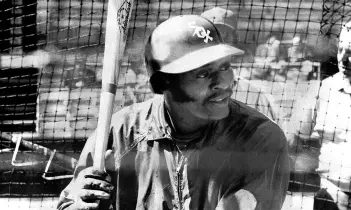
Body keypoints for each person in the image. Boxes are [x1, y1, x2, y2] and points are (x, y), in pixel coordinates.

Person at [57, 15, 290, 210]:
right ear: (162, 83)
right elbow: (69, 202)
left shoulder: (259, 140)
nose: (224, 82)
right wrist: (79, 205)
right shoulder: (120, 133)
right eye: (202, 73)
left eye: (225, 66)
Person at [289, 21, 351, 210]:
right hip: (332, 195)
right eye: (341, 49)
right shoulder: (323, 90)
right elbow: (294, 141)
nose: (343, 59)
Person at [201, 7, 278, 121]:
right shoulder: (182, 88)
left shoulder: (254, 94)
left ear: (235, 39)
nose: (220, 40)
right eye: (212, 34)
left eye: (226, 34)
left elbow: (272, 136)